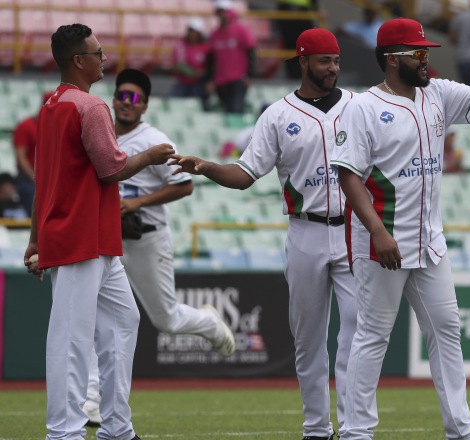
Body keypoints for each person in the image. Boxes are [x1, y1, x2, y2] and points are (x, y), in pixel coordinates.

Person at [329, 6, 470, 438]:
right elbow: (347, 175)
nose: (426, 59)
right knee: (373, 336)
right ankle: (356, 431)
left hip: (429, 241)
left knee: (447, 329)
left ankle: (461, 429)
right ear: (393, 58)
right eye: (419, 52)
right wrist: (378, 231)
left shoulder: (437, 93)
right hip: (383, 241)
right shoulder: (362, 108)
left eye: (427, 51)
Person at [170, 28, 357, 440]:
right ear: (303, 61)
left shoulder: (358, 106)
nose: (333, 68)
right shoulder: (277, 114)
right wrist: (206, 167)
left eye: (337, 60)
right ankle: (316, 429)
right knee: (308, 340)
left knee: (357, 335)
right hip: (306, 231)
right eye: (325, 60)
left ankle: (356, 427)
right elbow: (244, 175)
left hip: (353, 230)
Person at [24, 23, 175, 440]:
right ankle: (65, 432)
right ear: (78, 60)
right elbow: (111, 169)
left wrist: (35, 238)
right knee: (71, 340)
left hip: (94, 239)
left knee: (124, 321)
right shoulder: (90, 107)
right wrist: (151, 155)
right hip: (79, 238)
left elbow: (44, 178)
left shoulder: (52, 104)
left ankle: (116, 428)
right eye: (98, 52)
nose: (104, 57)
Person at [81, 68, 236, 427]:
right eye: (121, 94)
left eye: (134, 97)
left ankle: (210, 324)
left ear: (145, 105)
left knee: (165, 318)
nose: (126, 102)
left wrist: (136, 203)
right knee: (91, 314)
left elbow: (185, 186)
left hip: (146, 235)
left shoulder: (155, 139)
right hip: (108, 236)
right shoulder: (100, 133)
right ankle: (92, 398)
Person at [206, 0, 257, 113]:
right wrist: (210, 79)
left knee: (236, 111)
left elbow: (251, 52)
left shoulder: (241, 31)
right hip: (221, 81)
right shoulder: (214, 34)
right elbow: (211, 59)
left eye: (223, 11)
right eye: (219, 12)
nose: (221, 14)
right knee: (225, 111)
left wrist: (250, 75)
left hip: (238, 79)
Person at [12, 91, 54, 217]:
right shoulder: (26, 126)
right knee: (36, 214)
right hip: (29, 179)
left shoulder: (55, 128)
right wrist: (34, 178)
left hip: (49, 178)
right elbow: (20, 156)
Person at [171, 17, 211, 110]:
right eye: (190, 30)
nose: (191, 34)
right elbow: (179, 64)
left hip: (199, 84)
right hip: (183, 82)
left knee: (201, 106)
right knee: (174, 103)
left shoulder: (206, 47)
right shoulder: (181, 45)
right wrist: (194, 73)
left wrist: (205, 73)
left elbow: (210, 65)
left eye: (194, 31)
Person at [276, 0, 320, 79]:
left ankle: (302, 74)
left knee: (303, 45)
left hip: (301, 14)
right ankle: (294, 75)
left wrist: (317, 10)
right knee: (291, 46)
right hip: (288, 12)